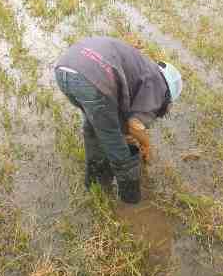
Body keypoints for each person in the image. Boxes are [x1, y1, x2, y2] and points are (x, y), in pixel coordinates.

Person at [55, 37, 183, 204]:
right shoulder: (159, 85)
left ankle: (96, 183)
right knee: (115, 143)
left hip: (65, 68)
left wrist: (127, 131)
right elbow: (134, 125)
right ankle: (131, 199)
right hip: (92, 78)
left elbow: (120, 113)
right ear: (169, 94)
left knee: (95, 128)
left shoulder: (143, 67)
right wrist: (145, 143)